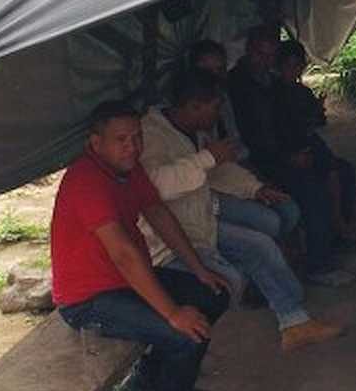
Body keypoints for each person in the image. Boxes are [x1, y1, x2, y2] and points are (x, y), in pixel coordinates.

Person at [51, 100, 233, 391]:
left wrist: (198, 269)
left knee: (213, 294)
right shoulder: (86, 181)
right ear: (96, 143)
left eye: (137, 137)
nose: (132, 147)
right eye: (121, 139)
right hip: (89, 300)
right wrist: (173, 313)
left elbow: (158, 213)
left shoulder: (128, 169)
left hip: (126, 281)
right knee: (184, 333)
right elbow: (122, 253)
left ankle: (148, 377)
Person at [140, 71, 344, 352]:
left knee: (261, 243)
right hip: (169, 237)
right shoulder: (150, 134)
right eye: (213, 107)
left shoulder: (193, 130)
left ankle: (294, 320)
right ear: (194, 106)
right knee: (234, 279)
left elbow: (217, 169)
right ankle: (282, 307)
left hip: (200, 219)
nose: (218, 114)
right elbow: (155, 185)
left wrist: (254, 188)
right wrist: (206, 158)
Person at [227, 25, 354, 284]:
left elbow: (286, 123)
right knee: (312, 192)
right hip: (259, 161)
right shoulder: (237, 86)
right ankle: (318, 266)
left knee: (343, 172)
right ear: (249, 50)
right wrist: (288, 158)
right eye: (260, 55)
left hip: (286, 151)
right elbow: (252, 138)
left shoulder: (271, 83)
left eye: (270, 56)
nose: (265, 61)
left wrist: (300, 145)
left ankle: (334, 237)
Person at [275, 39, 356, 242]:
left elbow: (318, 121)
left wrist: (317, 110)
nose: (293, 71)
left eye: (298, 66)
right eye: (289, 66)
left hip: (308, 141)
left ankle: (339, 220)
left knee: (339, 171)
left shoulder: (302, 92)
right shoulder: (274, 94)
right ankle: (336, 223)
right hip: (293, 146)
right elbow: (283, 129)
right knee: (326, 176)